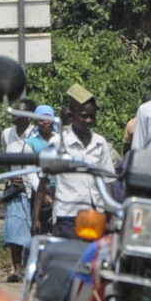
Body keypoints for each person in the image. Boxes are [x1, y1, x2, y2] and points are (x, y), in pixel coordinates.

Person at [49, 88, 113, 235]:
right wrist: (36, 216)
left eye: (92, 116)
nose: (89, 121)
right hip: (69, 215)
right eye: (84, 116)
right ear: (71, 116)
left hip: (95, 213)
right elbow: (44, 179)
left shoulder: (100, 142)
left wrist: (110, 213)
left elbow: (108, 180)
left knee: (93, 256)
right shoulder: (58, 142)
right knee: (72, 256)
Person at [0, 109, 51, 280]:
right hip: (16, 188)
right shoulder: (7, 134)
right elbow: (5, 158)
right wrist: (11, 176)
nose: (14, 115)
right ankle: (17, 268)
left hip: (35, 187)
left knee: (35, 226)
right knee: (15, 226)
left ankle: (32, 267)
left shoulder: (37, 134)